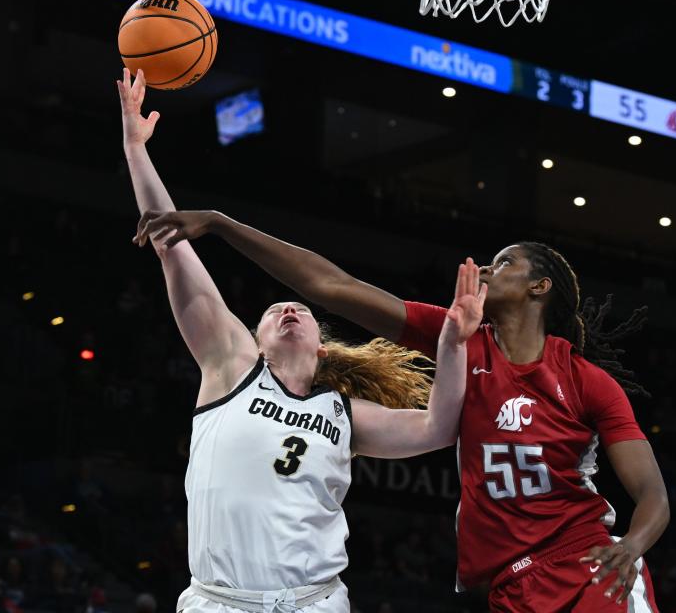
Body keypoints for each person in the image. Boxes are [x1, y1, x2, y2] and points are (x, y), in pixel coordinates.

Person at [135, 208, 671, 609]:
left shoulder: (586, 382)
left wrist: (633, 545)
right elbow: (330, 286)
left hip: (587, 563)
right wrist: (225, 226)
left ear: (540, 286)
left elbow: (652, 495)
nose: (486, 267)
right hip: (512, 581)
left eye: (504, 263)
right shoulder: (456, 337)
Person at [118, 68, 486, 613]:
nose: (289, 307)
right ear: (256, 340)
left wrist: (454, 342)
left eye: (301, 310)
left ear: (320, 345)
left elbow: (439, 426)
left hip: (314, 602)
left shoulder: (343, 414)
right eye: (273, 311)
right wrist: (134, 148)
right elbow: (170, 243)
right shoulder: (230, 368)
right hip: (220, 603)